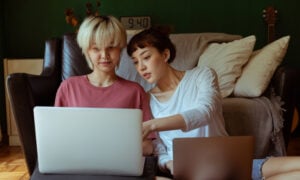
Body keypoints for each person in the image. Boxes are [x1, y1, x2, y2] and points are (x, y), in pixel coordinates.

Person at [127, 28, 300, 180]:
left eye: (146, 57)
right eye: (135, 62)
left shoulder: (202, 76)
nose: (141, 67)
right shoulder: (147, 100)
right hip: (191, 172)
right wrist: (171, 165)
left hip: (228, 162)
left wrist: (153, 125)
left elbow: (205, 112)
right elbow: (159, 148)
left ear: (165, 55)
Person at [54, 15, 154, 155]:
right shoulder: (68, 87)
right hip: (78, 162)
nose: (104, 55)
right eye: (96, 49)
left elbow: (148, 145)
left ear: (120, 48)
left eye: (111, 47)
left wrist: (112, 152)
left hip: (120, 164)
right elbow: (56, 138)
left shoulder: (135, 91)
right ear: (86, 50)